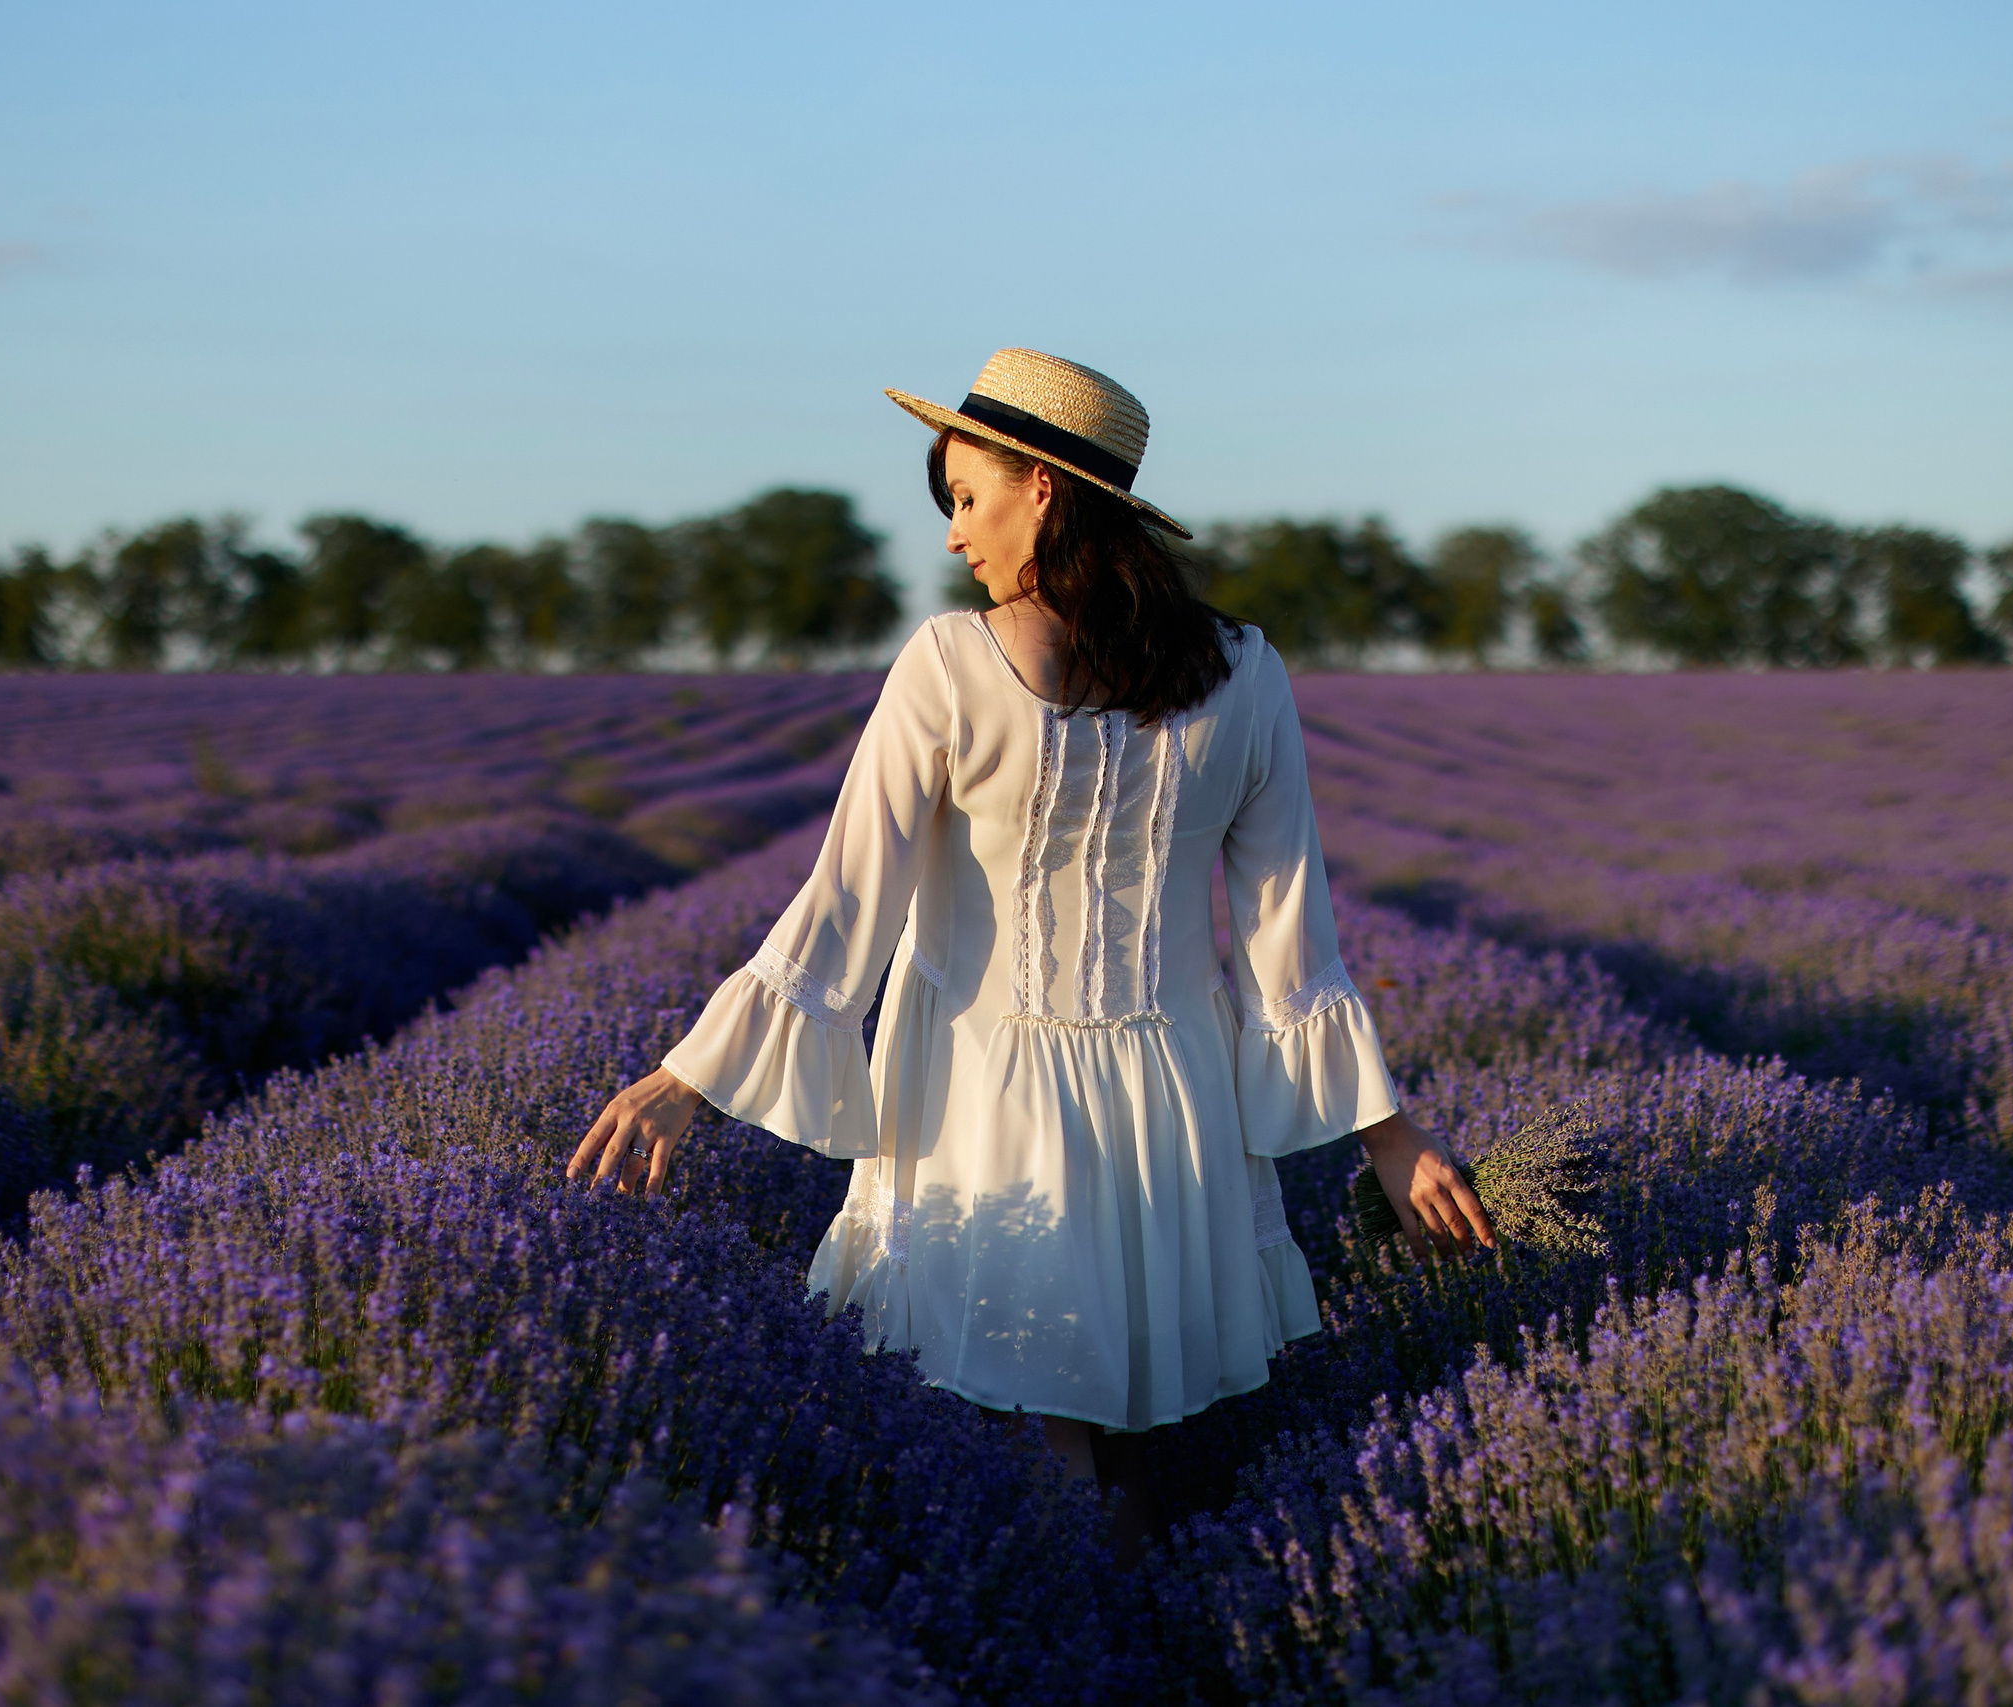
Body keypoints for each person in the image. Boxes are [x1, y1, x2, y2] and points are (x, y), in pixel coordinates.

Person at [568, 348, 1493, 1508]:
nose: (956, 535)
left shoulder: (951, 661)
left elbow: (848, 901)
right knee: (1111, 1429)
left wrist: (686, 1079)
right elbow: (1287, 938)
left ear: (1042, 489)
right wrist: (1388, 1136)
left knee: (1023, 1421)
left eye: (966, 498)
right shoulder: (1246, 671)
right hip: (1176, 1101)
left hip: (979, 1095)